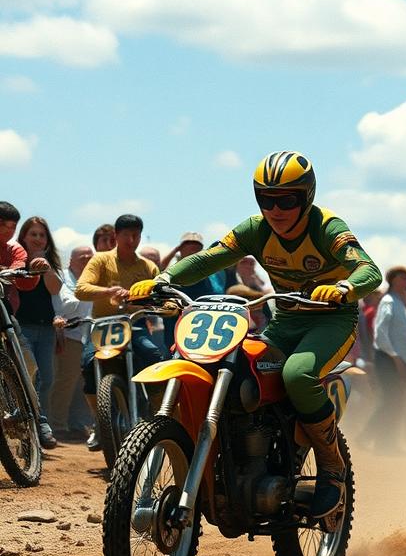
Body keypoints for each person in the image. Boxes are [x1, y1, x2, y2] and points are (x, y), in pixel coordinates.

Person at [129, 151, 381, 517]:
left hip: (332, 320)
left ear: (306, 197)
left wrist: (343, 288)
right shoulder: (255, 230)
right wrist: (165, 279)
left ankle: (332, 467)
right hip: (286, 320)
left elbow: (369, 271)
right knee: (244, 368)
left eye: (286, 200)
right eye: (266, 199)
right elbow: (209, 257)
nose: (275, 210)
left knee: (297, 374)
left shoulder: (328, 227)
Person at [74, 214, 167, 426]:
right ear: (116, 236)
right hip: (103, 324)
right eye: (127, 235)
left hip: (135, 324)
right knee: (88, 364)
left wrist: (152, 303)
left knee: (154, 355)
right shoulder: (100, 259)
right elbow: (81, 289)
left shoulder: (148, 267)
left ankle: (160, 413)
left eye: (136, 235)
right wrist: (108, 292)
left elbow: (163, 296)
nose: (132, 240)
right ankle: (100, 422)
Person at [16, 217, 64, 448]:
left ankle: (36, 424)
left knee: (47, 379)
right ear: (23, 236)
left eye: (42, 235)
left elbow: (55, 289)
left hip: (46, 330)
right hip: (20, 327)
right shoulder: (15, 260)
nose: (37, 238)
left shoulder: (49, 262)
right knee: (29, 377)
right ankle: (37, 426)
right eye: (33, 234)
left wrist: (43, 263)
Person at [51, 245, 94, 442]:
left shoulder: (95, 278)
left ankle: (78, 424)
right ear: (71, 260)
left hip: (90, 336)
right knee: (65, 382)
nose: (86, 259)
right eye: (82, 257)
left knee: (83, 384)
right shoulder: (62, 276)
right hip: (68, 336)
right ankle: (57, 424)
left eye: (89, 257)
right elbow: (64, 306)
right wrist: (85, 291)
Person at [371, 265, 406, 451]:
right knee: (391, 402)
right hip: (388, 359)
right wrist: (396, 358)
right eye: (403, 278)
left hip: (395, 359)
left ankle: (385, 441)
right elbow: (380, 333)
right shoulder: (389, 301)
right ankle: (384, 443)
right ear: (394, 280)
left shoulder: (398, 302)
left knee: (394, 402)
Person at [0, 201, 42, 313]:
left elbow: (22, 282)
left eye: (13, 226)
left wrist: (34, 272)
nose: (7, 230)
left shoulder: (15, 250)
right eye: (2, 223)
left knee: (14, 329)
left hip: (5, 314)